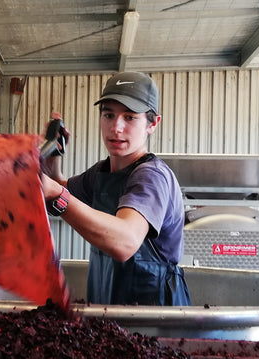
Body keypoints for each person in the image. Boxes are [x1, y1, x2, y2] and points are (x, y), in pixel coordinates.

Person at [41, 71, 191, 306]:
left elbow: (125, 242)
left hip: (154, 320)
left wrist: (56, 195)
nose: (116, 128)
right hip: (109, 309)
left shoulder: (151, 176)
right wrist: (53, 154)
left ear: (152, 123)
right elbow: (56, 188)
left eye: (129, 117)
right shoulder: (102, 172)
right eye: (108, 115)